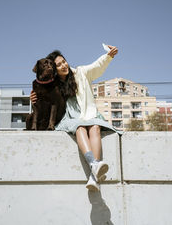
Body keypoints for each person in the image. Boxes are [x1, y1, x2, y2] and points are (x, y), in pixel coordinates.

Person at [30, 45, 119, 192]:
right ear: (54, 69)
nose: (63, 65)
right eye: (58, 65)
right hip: (69, 117)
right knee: (79, 128)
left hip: (88, 113)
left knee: (95, 127)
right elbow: (41, 96)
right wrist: (32, 98)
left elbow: (96, 66)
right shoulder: (53, 85)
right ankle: (94, 165)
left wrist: (108, 56)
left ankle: (93, 174)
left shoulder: (81, 73)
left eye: (64, 61)